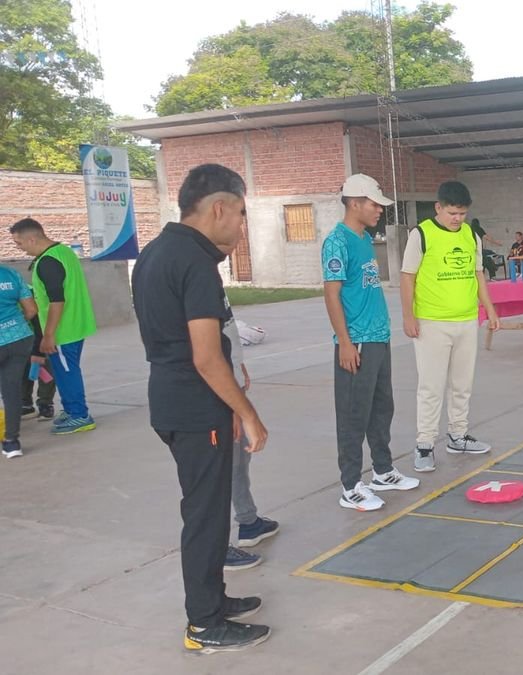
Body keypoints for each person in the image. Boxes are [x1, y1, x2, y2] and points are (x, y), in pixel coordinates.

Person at [131, 163, 270, 653]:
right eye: (240, 213)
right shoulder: (194, 263)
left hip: (174, 400)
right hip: (195, 407)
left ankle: (214, 600)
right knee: (207, 517)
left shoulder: (156, 253)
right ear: (218, 208)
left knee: (205, 509)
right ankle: (205, 624)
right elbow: (207, 357)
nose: (241, 225)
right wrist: (248, 412)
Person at [322, 174, 419, 512]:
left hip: (378, 338)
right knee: (353, 415)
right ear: (354, 203)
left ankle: (383, 470)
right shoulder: (337, 242)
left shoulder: (364, 238)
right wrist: (345, 342)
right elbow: (331, 295)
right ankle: (350, 486)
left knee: (381, 408)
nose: (380, 210)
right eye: (374, 204)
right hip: (357, 342)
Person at [400, 180, 500, 474]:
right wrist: (408, 316)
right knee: (431, 386)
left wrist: (489, 309)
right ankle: (425, 444)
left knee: (462, 384)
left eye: (462, 213)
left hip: (466, 320)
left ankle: (458, 435)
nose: (457, 219)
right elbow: (407, 277)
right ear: (438, 207)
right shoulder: (421, 234)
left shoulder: (471, 235)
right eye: (452, 213)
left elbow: (478, 274)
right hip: (432, 323)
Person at [9, 218, 97, 434]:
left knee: (67, 372)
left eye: (19, 243)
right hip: (75, 324)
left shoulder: (47, 262)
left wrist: (48, 335)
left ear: (32, 239)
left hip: (63, 331)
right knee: (63, 370)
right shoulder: (63, 252)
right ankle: (70, 409)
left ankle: (80, 415)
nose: (19, 248)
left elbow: (57, 301)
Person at [219, 289, 281, 571]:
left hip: (228, 375)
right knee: (219, 467)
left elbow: (225, 329)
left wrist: (237, 364)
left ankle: (248, 521)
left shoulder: (209, 277)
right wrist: (236, 406)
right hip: (217, 387)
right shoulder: (194, 274)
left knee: (238, 458)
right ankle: (217, 547)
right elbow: (205, 350)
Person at [0, 264, 37, 458]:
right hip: (19, 337)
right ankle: (12, 442)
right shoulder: (11, 274)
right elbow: (31, 310)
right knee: (11, 391)